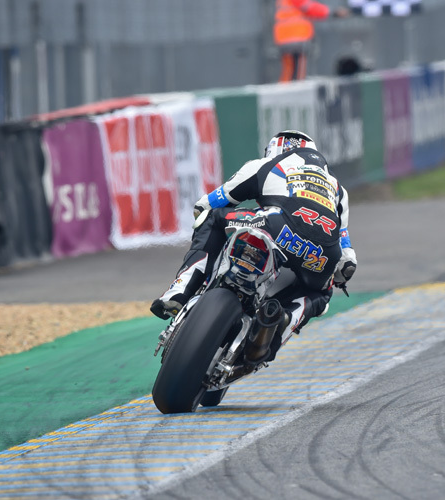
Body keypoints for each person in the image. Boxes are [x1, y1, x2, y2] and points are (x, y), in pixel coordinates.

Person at [151, 130, 357, 361]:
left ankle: (180, 290)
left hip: (275, 225)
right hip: (321, 253)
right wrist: (337, 278)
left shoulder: (266, 164)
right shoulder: (338, 189)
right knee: (321, 293)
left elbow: (207, 204)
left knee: (213, 218)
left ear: (274, 150)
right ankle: (285, 319)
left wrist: (204, 216)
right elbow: (347, 259)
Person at [274, 0, 350, 82]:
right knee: (298, 73)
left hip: (285, 37)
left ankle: (285, 90)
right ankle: (295, 91)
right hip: (296, 36)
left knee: (288, 70)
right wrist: (334, 12)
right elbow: (310, 7)